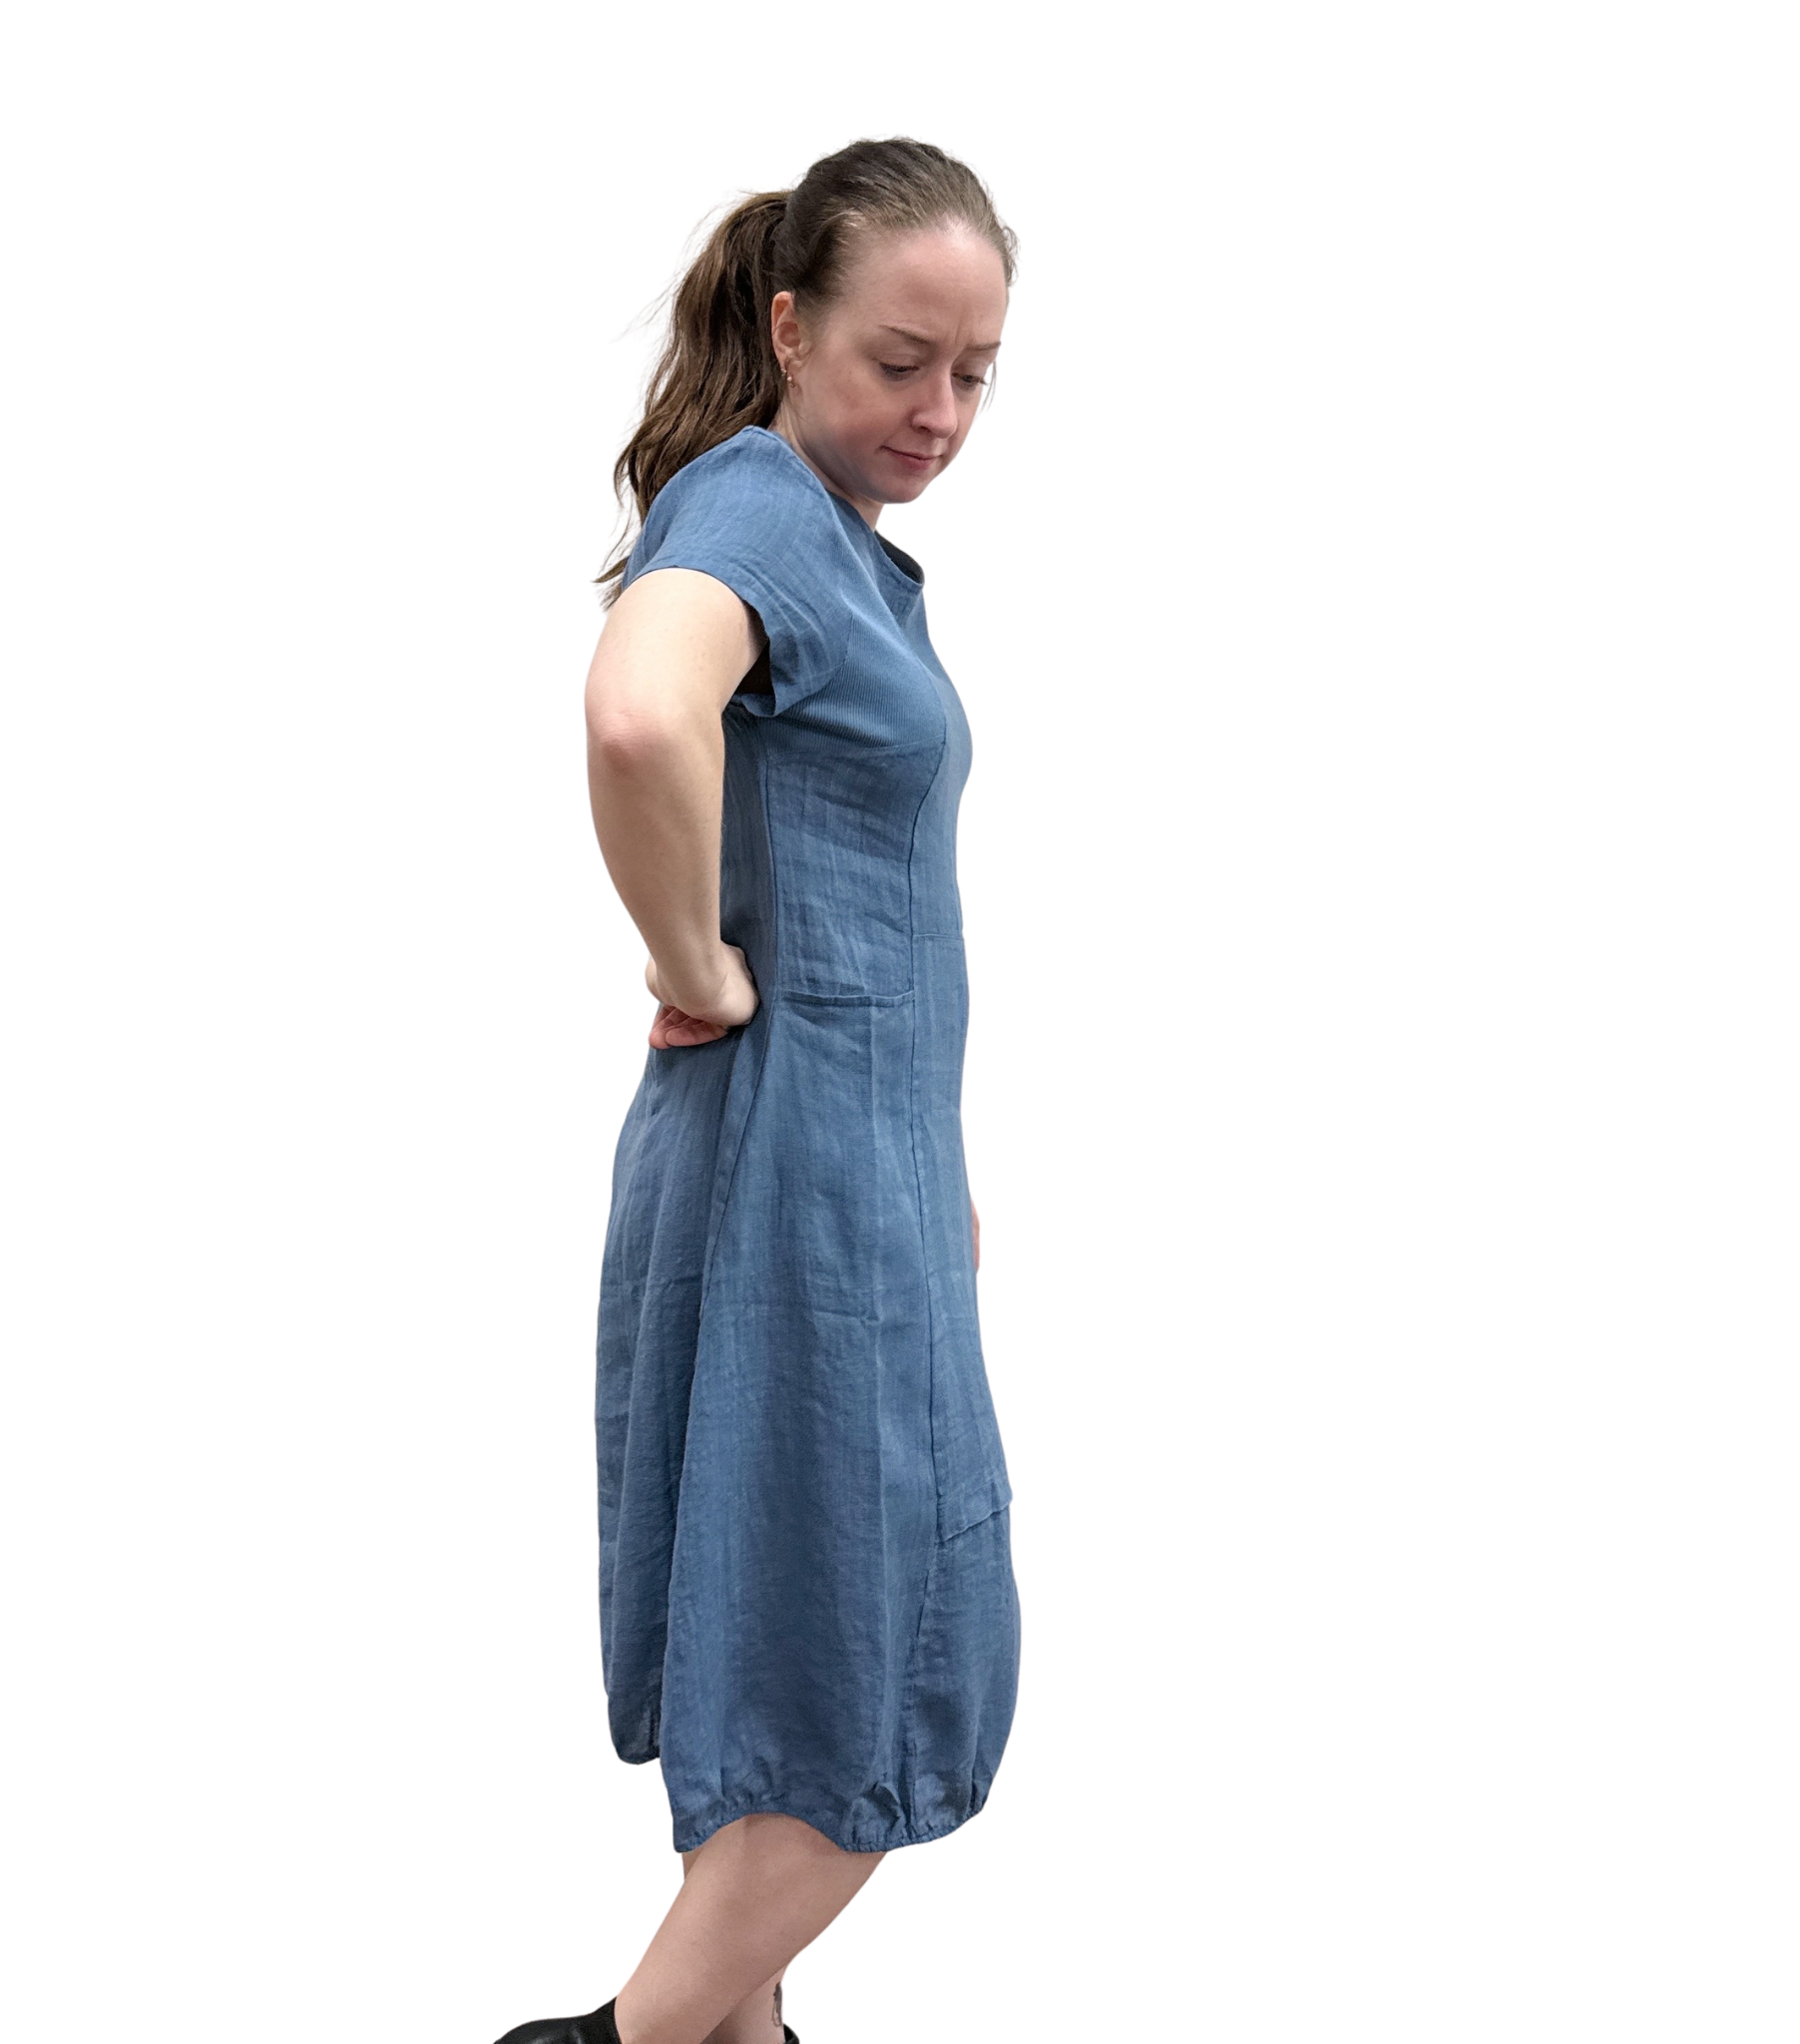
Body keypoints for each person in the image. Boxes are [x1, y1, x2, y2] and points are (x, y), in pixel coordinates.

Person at [497, 138, 1021, 2044]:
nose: (940, 410)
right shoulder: (759, 512)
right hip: (805, 1173)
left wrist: (928, 1158)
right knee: (877, 1679)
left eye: (974, 371)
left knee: (796, 1627)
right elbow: (639, 707)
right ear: (791, 326)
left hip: (834, 1166)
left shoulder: (819, 537)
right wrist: (692, 966)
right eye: (901, 359)